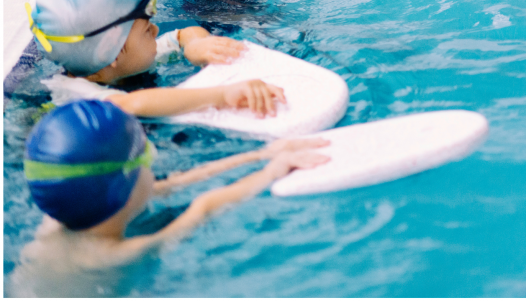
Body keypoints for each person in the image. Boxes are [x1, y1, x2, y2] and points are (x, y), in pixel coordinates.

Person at [12, 101, 327, 296]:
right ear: (123, 184)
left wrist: (261, 154)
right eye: (146, 155)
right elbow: (203, 208)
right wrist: (271, 172)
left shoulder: (56, 217)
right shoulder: (118, 254)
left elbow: (174, 184)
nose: (154, 166)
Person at [25, 0, 284, 118]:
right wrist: (222, 94)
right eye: (148, 30)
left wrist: (194, 45)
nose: (158, 31)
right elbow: (133, 104)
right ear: (111, 53)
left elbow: (185, 33)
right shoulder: (76, 95)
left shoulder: (115, 60)